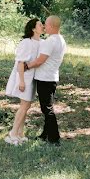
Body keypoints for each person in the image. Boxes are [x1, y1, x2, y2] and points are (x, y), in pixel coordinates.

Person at [24, 15, 67, 145]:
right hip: (52, 77)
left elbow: (40, 60)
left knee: (47, 109)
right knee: (47, 107)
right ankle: (45, 135)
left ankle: (54, 138)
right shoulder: (61, 40)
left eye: (46, 24)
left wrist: (27, 66)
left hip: (45, 78)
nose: (44, 26)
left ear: (52, 26)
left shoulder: (50, 41)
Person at [4, 18, 42, 145]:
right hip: (24, 77)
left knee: (27, 106)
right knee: (24, 105)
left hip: (33, 77)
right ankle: (13, 133)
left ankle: (20, 133)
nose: (42, 26)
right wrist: (21, 81)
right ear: (33, 29)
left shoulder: (41, 42)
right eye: (40, 25)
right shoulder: (26, 42)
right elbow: (20, 62)